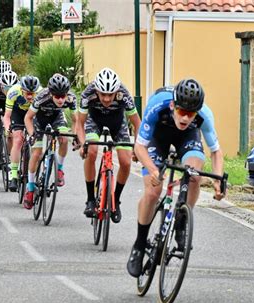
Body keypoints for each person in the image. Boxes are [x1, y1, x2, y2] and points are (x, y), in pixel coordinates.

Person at [126, 78, 225, 278]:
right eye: (181, 112)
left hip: (187, 139)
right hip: (158, 138)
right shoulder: (157, 105)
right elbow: (139, 146)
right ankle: (139, 244)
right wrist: (153, 170)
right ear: (173, 105)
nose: (186, 118)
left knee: (195, 175)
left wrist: (218, 179)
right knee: (153, 191)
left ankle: (181, 219)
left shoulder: (204, 115)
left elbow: (216, 151)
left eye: (191, 114)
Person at [77, 67, 141, 224]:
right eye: (102, 94)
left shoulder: (124, 94)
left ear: (116, 91)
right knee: (91, 151)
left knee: (125, 162)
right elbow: (80, 123)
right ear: (96, 90)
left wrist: (138, 148)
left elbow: (137, 123)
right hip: (94, 122)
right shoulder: (88, 93)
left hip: (118, 123)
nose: (106, 99)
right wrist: (82, 143)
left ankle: (116, 201)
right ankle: (91, 199)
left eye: (110, 95)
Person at [22, 74, 77, 209]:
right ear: (51, 93)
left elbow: (76, 120)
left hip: (57, 118)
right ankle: (30, 188)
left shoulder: (71, 98)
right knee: (37, 153)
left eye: (63, 96)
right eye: (57, 96)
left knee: (64, 139)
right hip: (38, 121)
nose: (60, 100)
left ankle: (59, 169)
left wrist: (75, 136)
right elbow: (28, 118)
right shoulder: (41, 97)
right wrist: (31, 134)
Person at [4, 75, 41, 192]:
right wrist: (7, 129)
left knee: (37, 144)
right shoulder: (13, 92)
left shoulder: (40, 93)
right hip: (17, 113)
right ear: (21, 90)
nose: (30, 96)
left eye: (32, 93)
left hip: (33, 114)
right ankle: (13, 174)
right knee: (18, 139)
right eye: (27, 93)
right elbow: (7, 116)